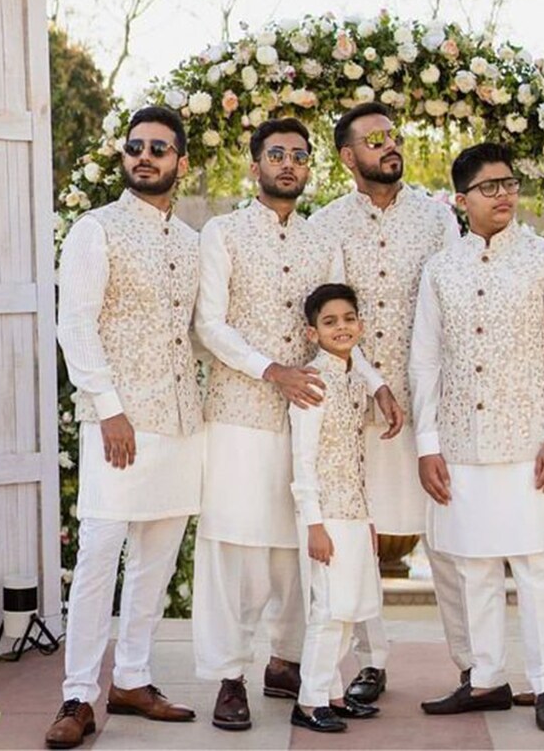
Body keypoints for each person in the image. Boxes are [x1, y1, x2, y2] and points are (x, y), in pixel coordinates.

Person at [192, 118, 400, 731]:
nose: (288, 164)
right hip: (241, 414)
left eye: (299, 156)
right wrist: (272, 370)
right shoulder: (223, 233)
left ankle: (288, 663)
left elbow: (338, 322)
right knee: (238, 548)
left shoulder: (320, 242)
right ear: (254, 165)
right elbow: (210, 324)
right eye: (276, 154)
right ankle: (231, 675)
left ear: (311, 168)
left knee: (297, 551)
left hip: (314, 416)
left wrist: (376, 381)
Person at [409, 142, 544, 732]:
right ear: (461, 200)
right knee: (473, 565)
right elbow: (425, 360)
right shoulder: (441, 268)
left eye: (510, 183)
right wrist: (428, 444)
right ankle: (485, 679)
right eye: (490, 187)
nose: (504, 194)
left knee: (535, 566)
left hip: (529, 441)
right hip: (460, 443)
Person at [47, 106, 202, 749]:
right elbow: (76, 323)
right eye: (136, 146)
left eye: (159, 148)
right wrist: (108, 407)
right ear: (124, 157)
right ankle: (79, 694)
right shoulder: (97, 229)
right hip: (119, 422)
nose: (146, 156)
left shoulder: (192, 242)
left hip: (179, 424)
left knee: (155, 561)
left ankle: (133, 678)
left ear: (180, 162)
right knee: (99, 557)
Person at [311, 102, 469, 702]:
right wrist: (371, 380)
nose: (388, 145)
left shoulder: (436, 220)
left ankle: (473, 665)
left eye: (393, 136)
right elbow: (332, 318)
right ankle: (371, 661)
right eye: (373, 140)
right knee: (362, 536)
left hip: (433, 405)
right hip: (359, 411)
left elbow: (455, 309)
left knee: (447, 533)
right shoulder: (327, 224)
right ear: (349, 157)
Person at [288, 283, 388, 733]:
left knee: (350, 608)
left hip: (354, 511)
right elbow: (303, 459)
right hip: (325, 514)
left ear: (361, 326)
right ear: (312, 333)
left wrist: (367, 520)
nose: (341, 327)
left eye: (348, 319)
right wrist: (314, 523)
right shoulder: (313, 383)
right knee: (328, 611)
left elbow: (355, 455)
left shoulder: (354, 381)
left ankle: (331, 693)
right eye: (329, 322)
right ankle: (309, 701)